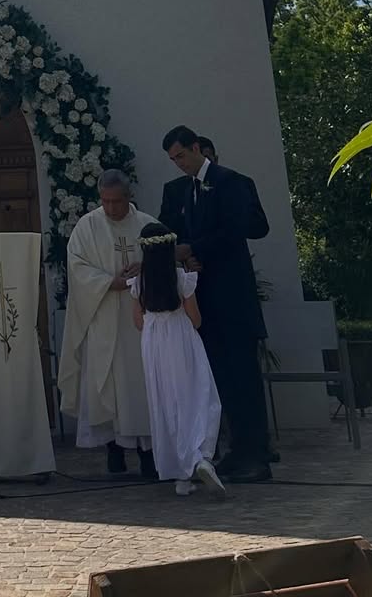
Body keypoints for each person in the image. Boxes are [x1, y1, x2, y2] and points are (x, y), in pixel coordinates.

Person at [159, 125, 272, 482]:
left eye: (181, 155)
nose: (178, 163)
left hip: (232, 297)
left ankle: (256, 456)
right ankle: (235, 452)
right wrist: (182, 257)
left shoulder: (229, 181)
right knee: (220, 381)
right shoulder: (181, 191)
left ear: (197, 148)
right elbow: (173, 230)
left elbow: (239, 228)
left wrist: (195, 248)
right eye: (173, 159)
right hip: (203, 300)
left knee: (244, 379)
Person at [58, 170, 156, 477]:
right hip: (103, 316)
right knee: (109, 384)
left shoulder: (146, 225)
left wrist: (146, 268)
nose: (111, 208)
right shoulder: (88, 226)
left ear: (129, 196)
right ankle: (113, 449)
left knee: (141, 386)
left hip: (140, 320)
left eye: (117, 201)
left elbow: (166, 262)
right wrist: (108, 283)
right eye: (105, 201)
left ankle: (148, 455)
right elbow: (76, 267)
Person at [130, 222, 225, 499]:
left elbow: (137, 321)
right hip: (182, 340)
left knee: (166, 403)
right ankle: (200, 457)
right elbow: (195, 319)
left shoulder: (138, 282)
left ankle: (181, 477)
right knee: (198, 396)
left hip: (154, 345)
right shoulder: (181, 278)